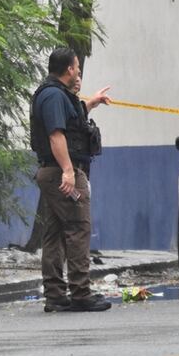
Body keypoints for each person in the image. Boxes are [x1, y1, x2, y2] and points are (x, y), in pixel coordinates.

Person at [30, 48, 112, 312]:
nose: (78, 71)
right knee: (78, 228)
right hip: (60, 173)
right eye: (77, 67)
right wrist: (67, 171)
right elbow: (56, 135)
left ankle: (55, 295)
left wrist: (91, 103)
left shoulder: (56, 94)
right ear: (68, 69)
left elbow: (70, 121)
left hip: (53, 172)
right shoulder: (53, 95)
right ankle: (80, 293)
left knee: (53, 233)